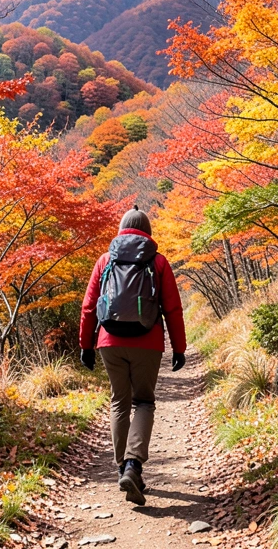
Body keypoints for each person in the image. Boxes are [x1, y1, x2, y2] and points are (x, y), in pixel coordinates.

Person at [79, 206, 186, 506]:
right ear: (147, 231)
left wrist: (85, 346)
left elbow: (89, 306)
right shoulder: (159, 261)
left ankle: (121, 467)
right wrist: (179, 348)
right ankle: (133, 465)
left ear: (121, 229)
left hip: (108, 341)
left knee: (119, 401)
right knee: (144, 401)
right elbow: (173, 308)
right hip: (147, 342)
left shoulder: (105, 260)